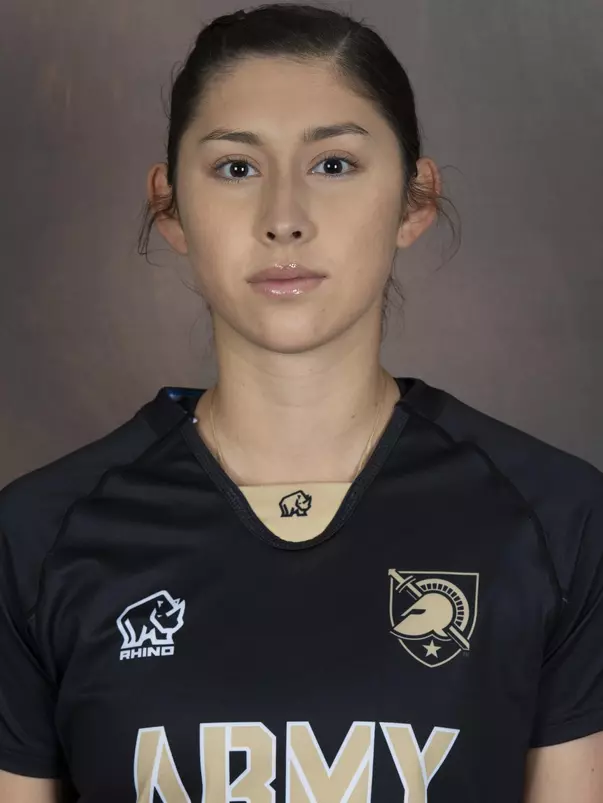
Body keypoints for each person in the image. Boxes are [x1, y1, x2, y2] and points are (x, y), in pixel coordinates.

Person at [0, 3, 602, 801]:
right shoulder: (39, 535)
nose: (284, 219)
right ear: (169, 204)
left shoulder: (556, 519)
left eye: (334, 164)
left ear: (414, 199)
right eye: (236, 168)